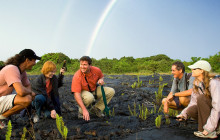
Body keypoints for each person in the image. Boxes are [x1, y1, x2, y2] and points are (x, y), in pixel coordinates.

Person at [176, 60, 220, 139]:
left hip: (217, 110)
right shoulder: (197, 83)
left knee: (202, 98)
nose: (191, 70)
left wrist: (209, 127)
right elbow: (193, 102)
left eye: (194, 69)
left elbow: (217, 107)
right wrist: (184, 114)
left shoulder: (214, 83)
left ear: (202, 70)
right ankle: (212, 128)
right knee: (191, 110)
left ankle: (209, 131)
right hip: (212, 110)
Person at [0, 49, 40, 129]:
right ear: (27, 60)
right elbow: (21, 91)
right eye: (34, 60)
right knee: (26, 99)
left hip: (3, 99)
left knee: (29, 98)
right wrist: (30, 93)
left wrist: (30, 93)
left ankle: (4, 116)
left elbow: (27, 86)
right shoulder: (12, 68)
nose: (35, 63)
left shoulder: (22, 72)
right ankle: (2, 117)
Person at [71, 56, 115, 121]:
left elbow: (101, 76)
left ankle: (96, 109)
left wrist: (100, 80)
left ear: (90, 65)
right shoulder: (77, 76)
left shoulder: (96, 70)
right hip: (83, 91)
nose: (82, 67)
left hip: (93, 89)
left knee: (111, 91)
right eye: (81, 64)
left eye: (85, 65)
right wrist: (84, 110)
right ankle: (81, 113)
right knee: (89, 98)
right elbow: (76, 94)